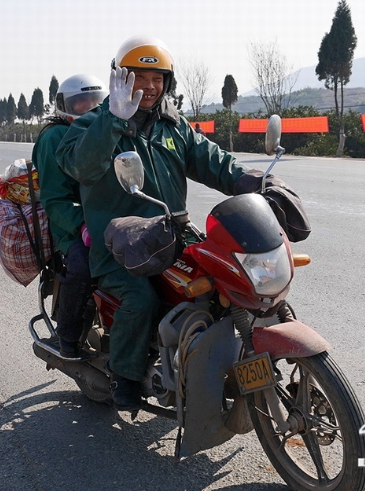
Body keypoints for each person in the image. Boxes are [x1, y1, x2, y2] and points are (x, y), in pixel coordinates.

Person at [56, 37, 261, 410]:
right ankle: (126, 376)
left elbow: (212, 161)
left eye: (157, 78)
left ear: (168, 82)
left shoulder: (173, 126)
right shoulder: (91, 124)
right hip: (118, 246)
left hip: (170, 237)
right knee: (140, 299)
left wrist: (253, 181)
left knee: (224, 281)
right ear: (120, 79)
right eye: (138, 77)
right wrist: (112, 121)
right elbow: (82, 167)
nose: (149, 87)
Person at [31, 74, 108, 358]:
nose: (88, 108)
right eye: (80, 103)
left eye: (94, 102)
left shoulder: (107, 130)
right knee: (85, 264)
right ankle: (68, 337)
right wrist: (83, 227)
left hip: (109, 217)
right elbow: (55, 198)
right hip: (73, 227)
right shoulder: (55, 137)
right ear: (65, 106)